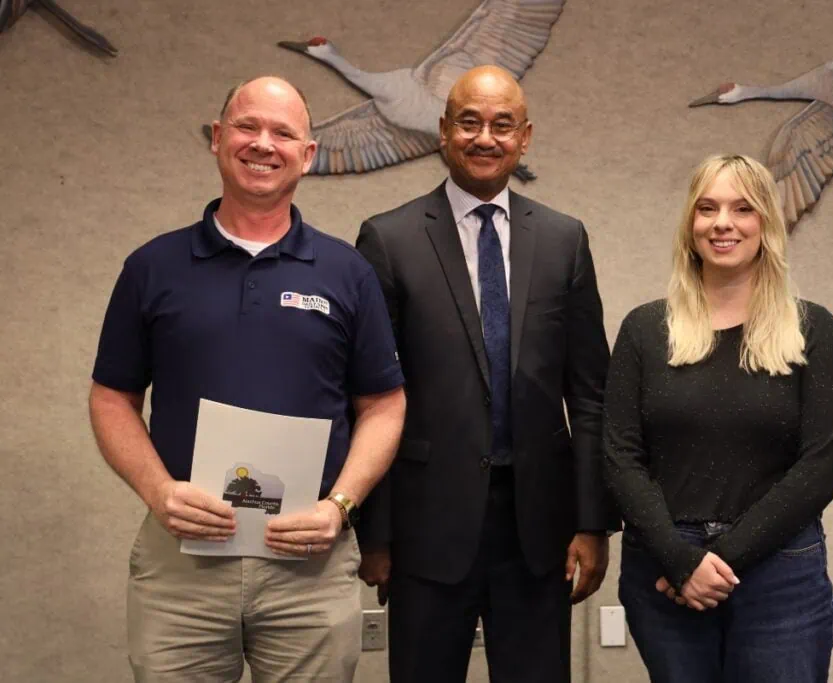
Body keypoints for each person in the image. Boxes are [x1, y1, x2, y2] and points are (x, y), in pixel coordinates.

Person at [88, 76, 406, 683]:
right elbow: (112, 398)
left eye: (283, 133)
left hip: (308, 565)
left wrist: (341, 505)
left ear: (307, 155)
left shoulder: (348, 272)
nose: (263, 143)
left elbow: (384, 405)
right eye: (247, 126)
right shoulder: (153, 267)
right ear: (217, 137)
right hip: (182, 567)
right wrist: (157, 490)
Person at [354, 65, 618, 683]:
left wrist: (593, 522)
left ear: (525, 137)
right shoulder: (388, 240)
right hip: (425, 527)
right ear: (444, 131)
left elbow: (589, 394)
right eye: (469, 122)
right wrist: (375, 534)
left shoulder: (564, 240)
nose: (485, 138)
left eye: (503, 125)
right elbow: (369, 398)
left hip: (538, 529)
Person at [603, 153, 833, 683]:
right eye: (707, 208)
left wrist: (716, 561)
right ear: (690, 223)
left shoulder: (812, 329)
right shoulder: (645, 329)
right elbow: (620, 456)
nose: (723, 223)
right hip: (665, 565)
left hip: (780, 573)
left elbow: (822, 467)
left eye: (743, 209)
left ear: (766, 223)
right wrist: (680, 560)